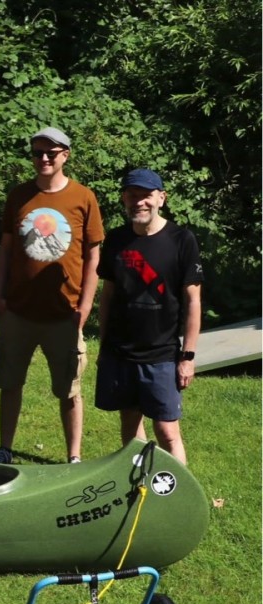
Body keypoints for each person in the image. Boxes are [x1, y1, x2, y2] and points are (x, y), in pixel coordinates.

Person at [0, 127, 104, 464]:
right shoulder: (19, 196)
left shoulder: (83, 197)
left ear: (65, 156)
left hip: (64, 313)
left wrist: (84, 307)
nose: (43, 159)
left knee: (69, 389)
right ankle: (4, 449)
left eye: (51, 153)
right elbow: (7, 249)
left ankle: (73, 456)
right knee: (10, 382)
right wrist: (0, 295)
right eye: (37, 153)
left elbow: (94, 256)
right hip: (19, 311)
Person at [96, 169, 202, 464]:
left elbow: (193, 301)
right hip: (120, 353)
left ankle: (179, 497)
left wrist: (188, 356)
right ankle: (138, 489)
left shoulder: (182, 240)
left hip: (162, 354)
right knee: (130, 427)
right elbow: (108, 296)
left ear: (161, 198)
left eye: (146, 195)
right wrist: (104, 346)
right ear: (124, 199)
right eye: (132, 195)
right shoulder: (116, 239)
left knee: (167, 430)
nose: (139, 202)